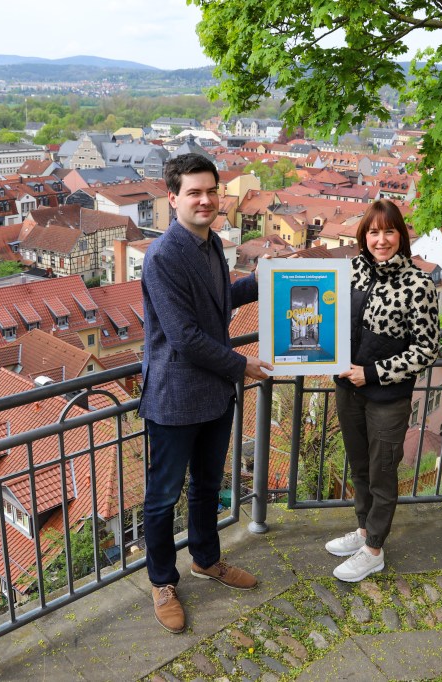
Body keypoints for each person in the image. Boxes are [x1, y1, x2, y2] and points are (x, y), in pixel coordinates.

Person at [139, 154, 274, 633]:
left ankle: (206, 560)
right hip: (174, 397)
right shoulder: (164, 256)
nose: (205, 199)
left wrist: (265, 282)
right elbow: (185, 337)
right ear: (172, 198)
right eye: (194, 192)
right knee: (161, 497)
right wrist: (244, 365)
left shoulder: (212, 243)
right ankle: (161, 581)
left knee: (206, 487)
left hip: (214, 394)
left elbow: (220, 303)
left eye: (211, 191)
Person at [325, 199, 440, 582]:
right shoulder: (349, 272)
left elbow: (426, 350)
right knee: (359, 467)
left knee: (382, 472)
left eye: (389, 231)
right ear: (364, 236)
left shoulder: (419, 285)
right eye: (373, 231)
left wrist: (371, 373)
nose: (381, 239)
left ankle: (374, 549)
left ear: (401, 235)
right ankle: (362, 530)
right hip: (347, 390)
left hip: (387, 397)